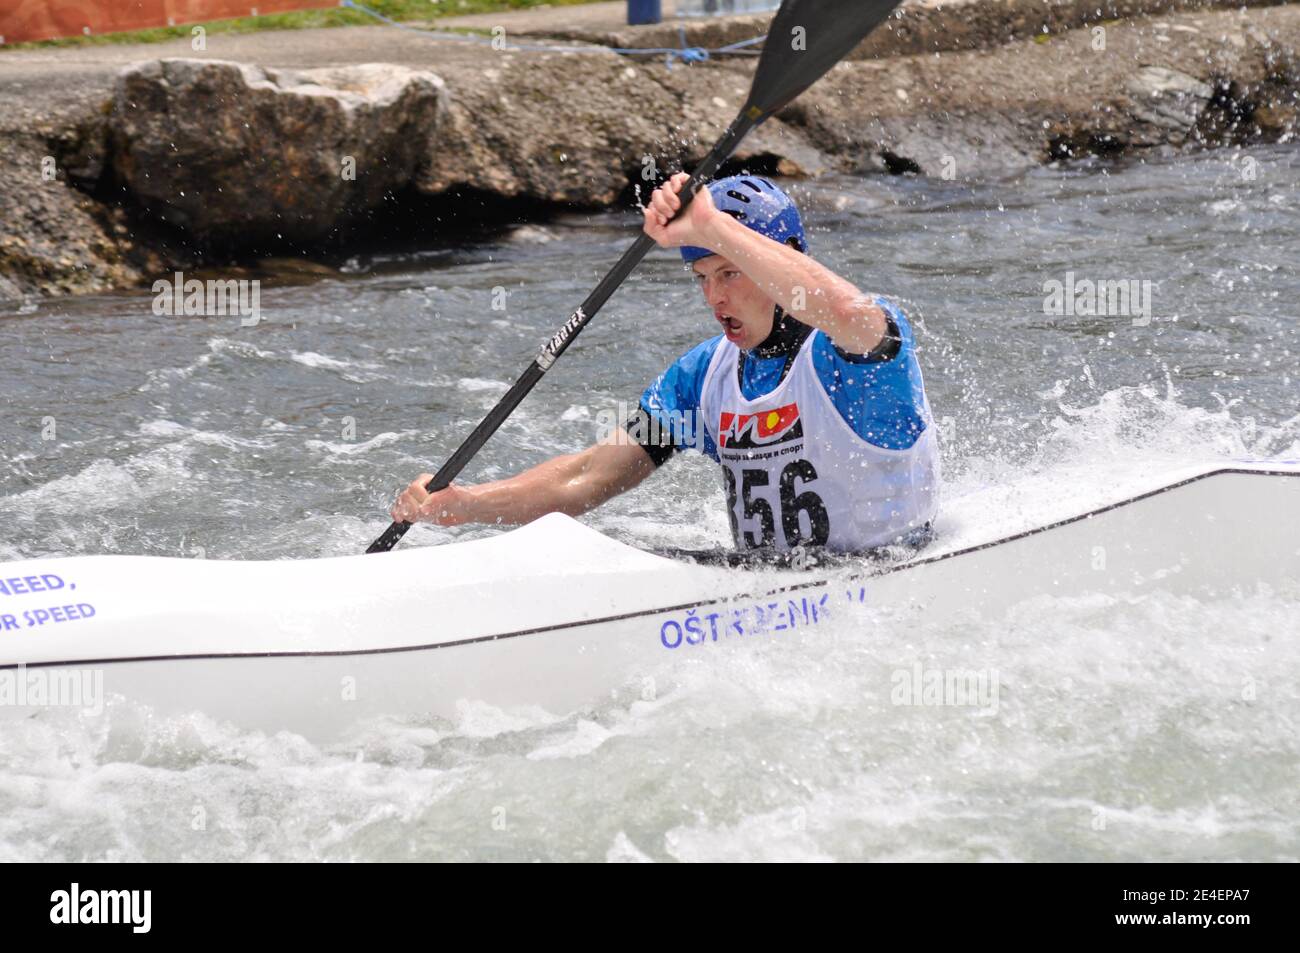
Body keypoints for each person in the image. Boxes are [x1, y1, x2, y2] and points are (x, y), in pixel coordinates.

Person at [390, 172, 939, 553]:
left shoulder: (858, 351)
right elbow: (586, 478)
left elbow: (841, 307)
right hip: (767, 591)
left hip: (885, 576)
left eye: (729, 273)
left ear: (786, 261)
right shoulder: (701, 377)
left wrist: (712, 226)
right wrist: (465, 505)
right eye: (701, 278)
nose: (714, 298)